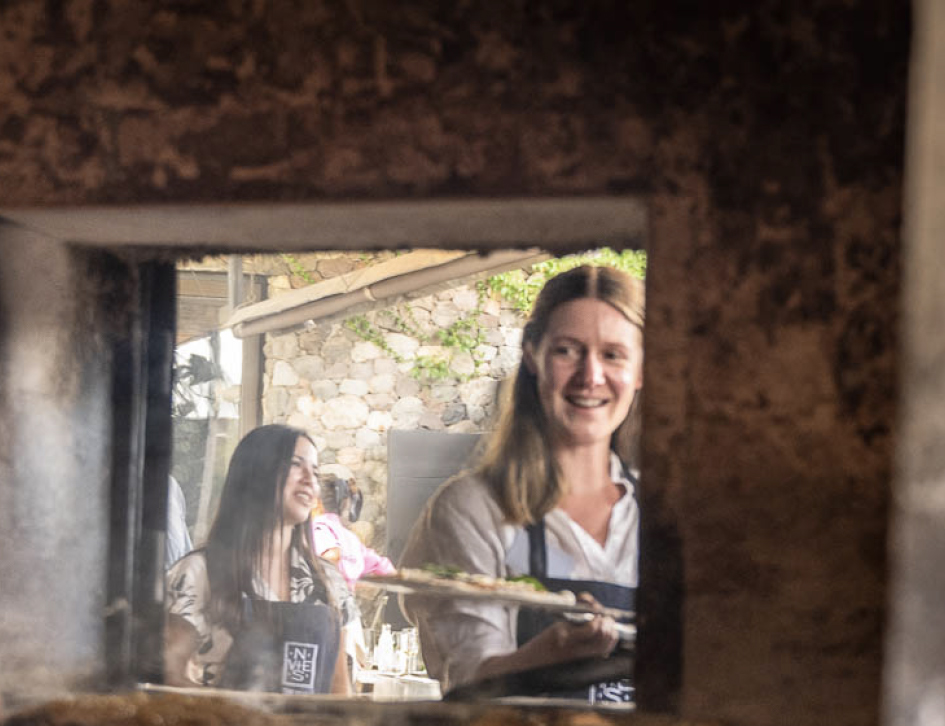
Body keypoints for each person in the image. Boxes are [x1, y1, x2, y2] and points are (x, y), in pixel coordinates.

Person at [399, 265, 643, 701]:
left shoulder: (667, 514)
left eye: (613, 354)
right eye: (568, 351)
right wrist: (543, 658)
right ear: (532, 354)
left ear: (641, 369)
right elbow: (467, 686)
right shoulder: (474, 509)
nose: (591, 376)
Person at [164, 425, 357, 694]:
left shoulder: (328, 582)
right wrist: (235, 712)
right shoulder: (197, 573)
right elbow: (169, 677)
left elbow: (340, 690)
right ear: (256, 473)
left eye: (315, 471)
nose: (309, 480)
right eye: (295, 465)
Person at [311, 476, 395, 587]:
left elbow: (332, 554)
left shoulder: (319, 527)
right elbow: (381, 565)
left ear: (316, 503)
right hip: (346, 600)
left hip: (324, 598)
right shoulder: (350, 538)